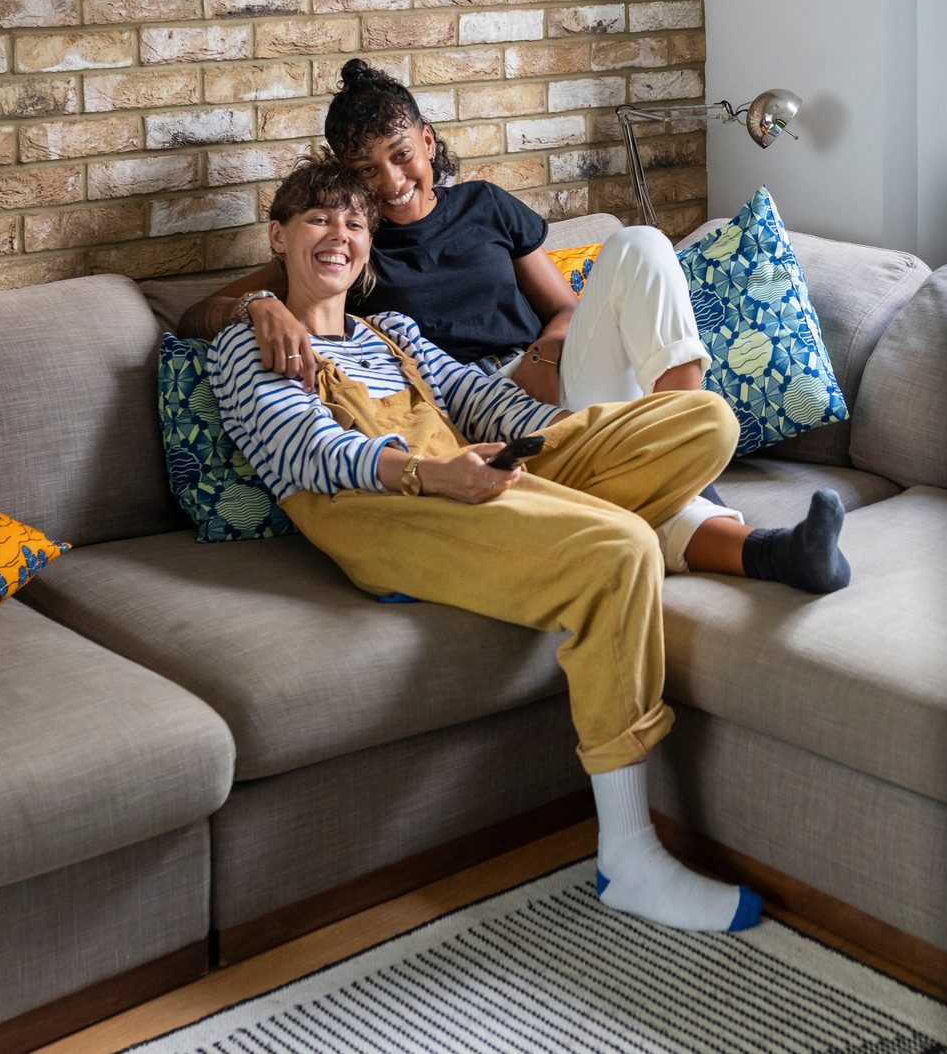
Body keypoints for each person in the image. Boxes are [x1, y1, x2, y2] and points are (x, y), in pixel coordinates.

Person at [211, 155, 764, 933]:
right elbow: (308, 454)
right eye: (318, 218)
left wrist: (577, 438)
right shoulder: (248, 346)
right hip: (385, 517)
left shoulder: (394, 333)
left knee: (704, 419)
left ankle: (566, 519)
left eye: (354, 222)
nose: (339, 234)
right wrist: (437, 476)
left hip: (471, 480)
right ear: (278, 235)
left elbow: (489, 403)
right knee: (622, 549)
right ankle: (630, 856)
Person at [183, 57, 848, 594]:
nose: (388, 182)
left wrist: (548, 350)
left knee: (641, 243)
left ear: (426, 142)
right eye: (365, 172)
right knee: (610, 502)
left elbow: (563, 304)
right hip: (474, 415)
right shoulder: (349, 244)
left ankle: (686, 457)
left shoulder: (486, 206)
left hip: (553, 376)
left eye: (399, 155)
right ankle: (774, 554)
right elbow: (199, 313)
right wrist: (258, 306)